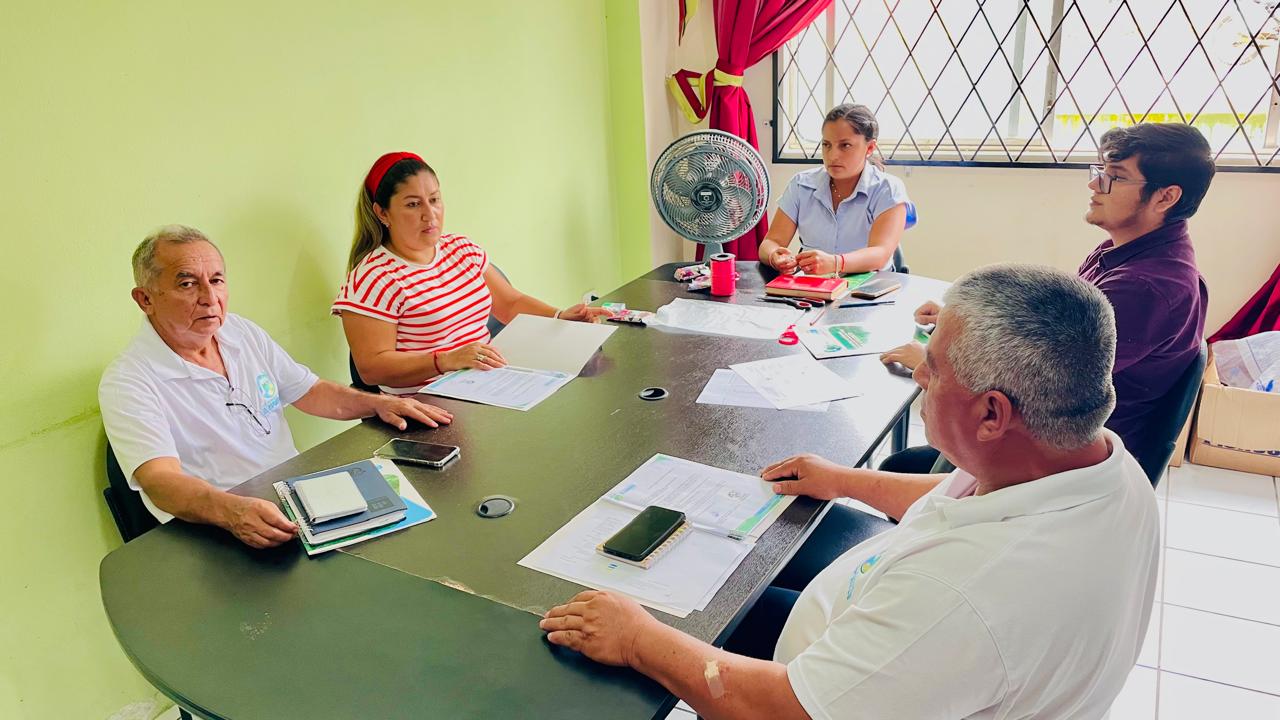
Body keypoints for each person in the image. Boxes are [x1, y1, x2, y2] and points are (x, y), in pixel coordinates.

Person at [539, 264, 1159, 720]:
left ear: (992, 414)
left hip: (806, 696)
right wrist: (842, 480)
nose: (919, 373)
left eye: (933, 365)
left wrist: (636, 638)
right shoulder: (1093, 462)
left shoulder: (966, 595)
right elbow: (956, 494)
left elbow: (789, 712)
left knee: (645, 636)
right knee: (734, 588)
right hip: (868, 642)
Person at [882, 122, 1213, 471]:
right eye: (1101, 171)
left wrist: (931, 362)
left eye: (1115, 176)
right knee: (902, 465)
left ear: (1165, 197)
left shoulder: (1146, 288)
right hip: (1055, 436)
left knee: (905, 462)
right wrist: (967, 322)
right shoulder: (1127, 253)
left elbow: (1032, 380)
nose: (1095, 184)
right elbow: (1055, 333)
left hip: (1067, 461)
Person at [100, 225, 454, 549]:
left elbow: (309, 391)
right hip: (217, 527)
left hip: (295, 499)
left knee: (415, 529)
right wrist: (231, 512)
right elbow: (160, 481)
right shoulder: (128, 380)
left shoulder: (239, 331)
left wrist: (378, 404)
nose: (210, 297)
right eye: (187, 284)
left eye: (217, 280)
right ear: (145, 299)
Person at [334, 152, 612, 394]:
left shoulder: (461, 249)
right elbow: (372, 368)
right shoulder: (372, 278)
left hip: (488, 388)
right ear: (382, 213)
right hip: (423, 408)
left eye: (434, 199)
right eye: (413, 204)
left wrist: (559, 317)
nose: (430, 214)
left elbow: (510, 303)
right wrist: (444, 360)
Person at [758, 104, 910, 276]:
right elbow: (771, 241)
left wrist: (836, 263)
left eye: (845, 145)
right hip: (812, 286)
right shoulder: (801, 185)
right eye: (826, 145)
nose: (832, 155)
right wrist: (775, 256)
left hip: (871, 286)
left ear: (869, 148)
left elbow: (880, 254)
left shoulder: (887, 189)